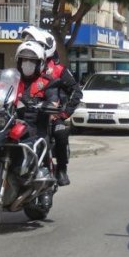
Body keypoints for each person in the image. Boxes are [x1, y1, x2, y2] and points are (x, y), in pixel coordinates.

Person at [20, 26, 82, 187]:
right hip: (25, 112)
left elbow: (76, 91)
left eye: (37, 44)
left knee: (60, 131)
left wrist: (64, 113)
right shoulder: (23, 66)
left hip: (51, 113)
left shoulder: (58, 70)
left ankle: (61, 168)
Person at [15, 41, 59, 211]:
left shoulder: (48, 82)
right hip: (12, 123)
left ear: (40, 63)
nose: (27, 64)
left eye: (31, 61)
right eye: (24, 60)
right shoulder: (12, 78)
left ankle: (45, 189)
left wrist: (48, 106)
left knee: (41, 145)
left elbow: (53, 100)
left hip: (35, 124)